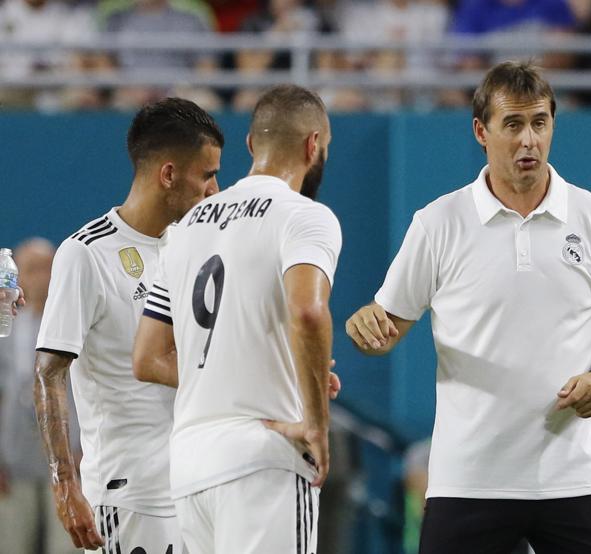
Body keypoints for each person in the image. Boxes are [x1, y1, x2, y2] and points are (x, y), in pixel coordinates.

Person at [346, 60, 591, 554]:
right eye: (513, 124)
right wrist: (365, 327)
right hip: (468, 480)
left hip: (572, 477)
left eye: (539, 123)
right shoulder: (437, 223)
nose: (529, 140)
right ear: (481, 132)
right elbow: (384, 332)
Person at [132, 84, 342, 553]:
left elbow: (147, 357)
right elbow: (308, 311)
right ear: (313, 145)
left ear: (250, 145)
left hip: (191, 467)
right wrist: (315, 422)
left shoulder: (184, 229)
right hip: (264, 460)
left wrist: (276, 369)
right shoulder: (305, 216)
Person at [33, 97, 223, 552]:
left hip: (198, 488)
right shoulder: (86, 254)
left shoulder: (194, 247)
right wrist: (64, 483)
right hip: (129, 496)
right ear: (169, 174)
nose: (215, 190)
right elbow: (49, 371)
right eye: (207, 175)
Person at [0, 238, 79, 554]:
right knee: (13, 543)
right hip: (15, 459)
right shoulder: (5, 330)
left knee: (65, 545)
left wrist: (85, 448)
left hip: (68, 457)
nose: (42, 277)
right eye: (33, 269)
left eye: (48, 268)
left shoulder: (75, 323)